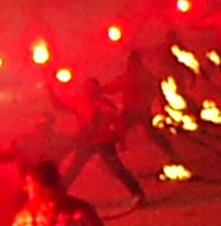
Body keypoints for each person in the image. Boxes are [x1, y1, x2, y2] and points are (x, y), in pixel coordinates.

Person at [48, 74, 147, 207]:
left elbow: (117, 121)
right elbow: (59, 105)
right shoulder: (80, 102)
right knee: (73, 169)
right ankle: (57, 196)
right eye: (87, 88)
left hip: (103, 142)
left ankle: (137, 193)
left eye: (92, 89)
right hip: (87, 142)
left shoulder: (105, 104)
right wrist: (50, 87)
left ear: (97, 90)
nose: (90, 91)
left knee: (117, 169)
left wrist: (121, 139)